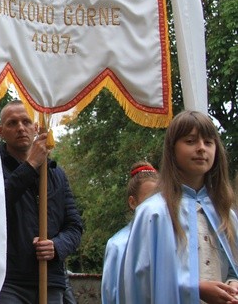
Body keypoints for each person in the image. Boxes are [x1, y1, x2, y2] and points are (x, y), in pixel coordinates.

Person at [121, 110, 238, 303]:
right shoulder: (153, 213)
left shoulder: (225, 213)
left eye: (208, 142)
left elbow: (233, 268)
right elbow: (139, 280)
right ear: (172, 149)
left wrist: (233, 284)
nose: (201, 148)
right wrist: (194, 289)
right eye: (190, 141)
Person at [0, 100, 83, 304]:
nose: (20, 128)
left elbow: (74, 226)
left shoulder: (56, 174)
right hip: (8, 281)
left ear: (36, 128)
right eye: (12, 123)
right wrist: (31, 165)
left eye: (26, 122)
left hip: (50, 279)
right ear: (0, 131)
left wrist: (56, 246)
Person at [100, 162, 159, 304]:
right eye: (149, 201)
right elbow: (109, 294)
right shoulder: (118, 245)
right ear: (133, 203)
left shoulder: (171, 238)